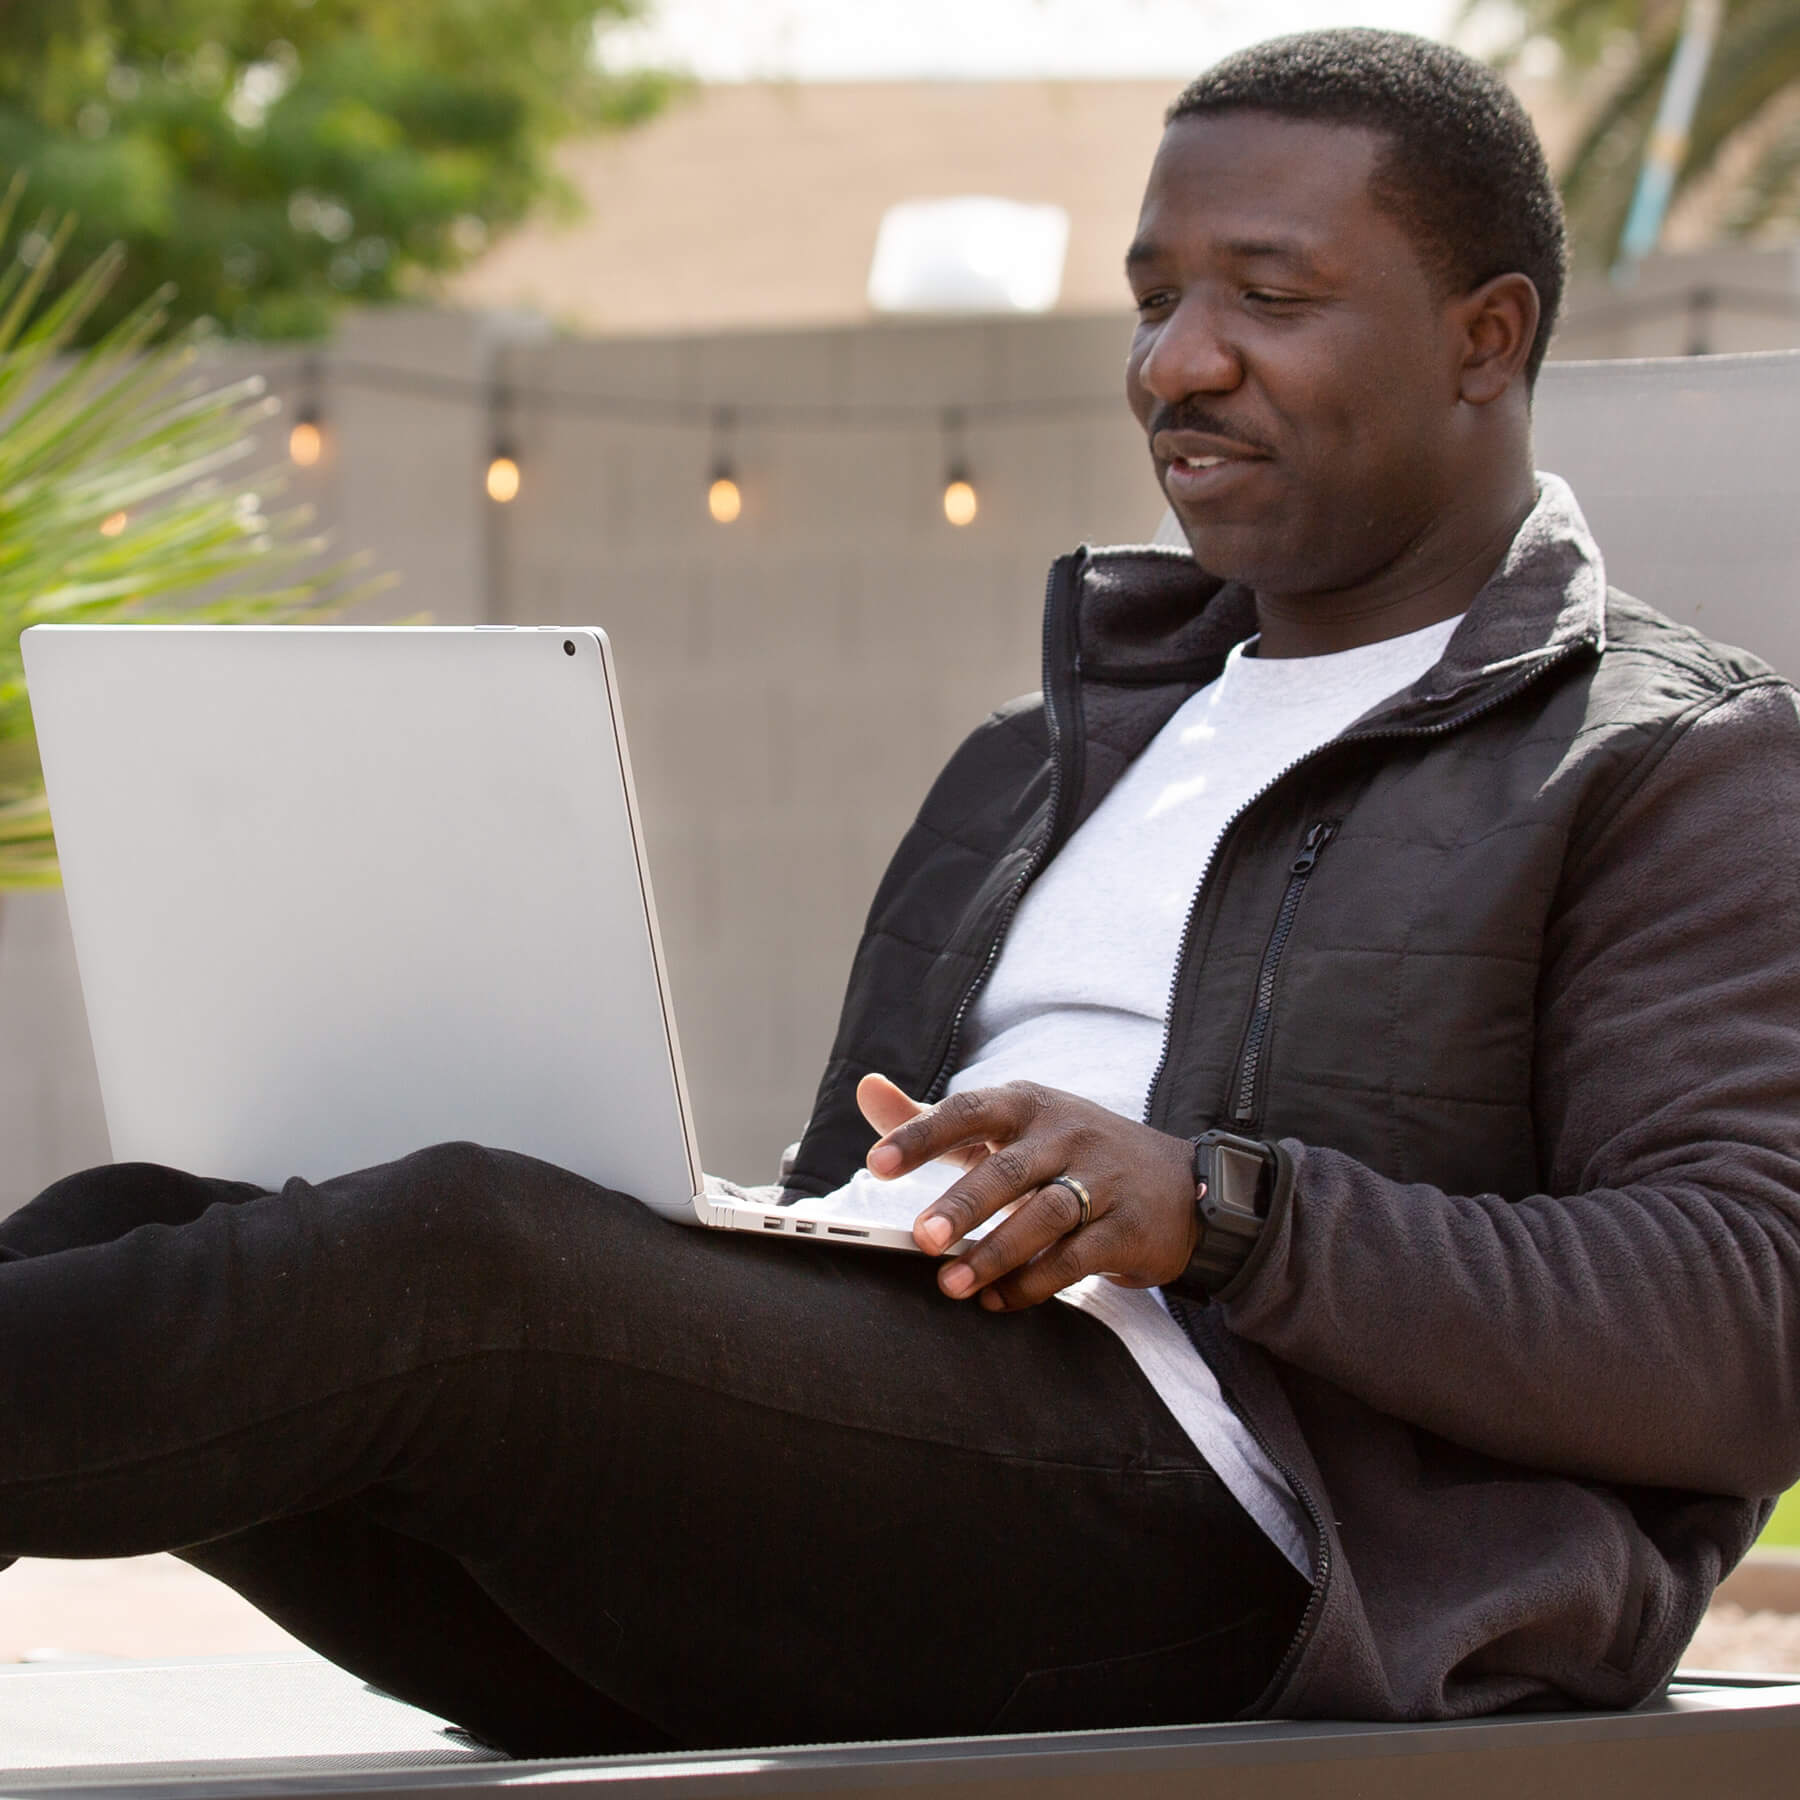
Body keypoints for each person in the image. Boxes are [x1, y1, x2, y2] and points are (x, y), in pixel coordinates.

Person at [5, 26, 1799, 1755]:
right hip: (888, 1499)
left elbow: (1744, 1313)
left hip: (1260, 1554)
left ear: (1488, 340)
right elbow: (846, 1197)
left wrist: (1222, 1213)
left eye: (1269, 295)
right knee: (127, 1217)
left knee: (455, 1263)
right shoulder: (1031, 760)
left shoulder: (1666, 762)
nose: (1180, 361)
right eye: (1156, 296)